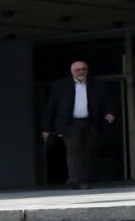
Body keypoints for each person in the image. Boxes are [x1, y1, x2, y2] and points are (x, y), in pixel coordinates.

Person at [42, 61, 116, 189]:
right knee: (74, 150)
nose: (81, 72)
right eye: (78, 70)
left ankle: (84, 180)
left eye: (84, 69)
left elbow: (106, 100)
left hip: (90, 123)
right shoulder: (61, 86)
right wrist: (47, 128)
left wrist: (109, 112)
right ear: (72, 71)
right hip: (70, 124)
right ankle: (75, 179)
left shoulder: (97, 84)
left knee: (88, 151)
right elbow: (51, 107)